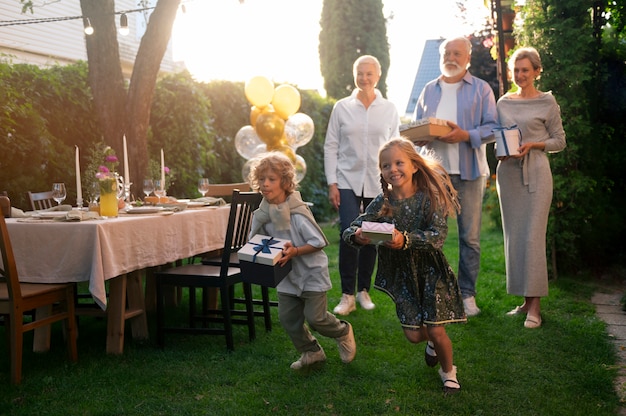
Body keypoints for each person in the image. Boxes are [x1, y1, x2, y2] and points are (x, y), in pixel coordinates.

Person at [343, 137, 466, 394]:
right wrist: (358, 235)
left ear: (414, 166)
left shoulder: (428, 198)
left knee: (436, 328)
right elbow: (352, 227)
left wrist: (406, 239)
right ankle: (431, 343)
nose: (393, 169)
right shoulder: (382, 203)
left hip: (431, 270)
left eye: (399, 162)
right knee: (413, 335)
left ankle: (449, 372)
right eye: (386, 165)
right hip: (402, 275)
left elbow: (438, 235)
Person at [248, 152, 357, 370]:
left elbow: (319, 241)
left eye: (271, 179)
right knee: (288, 319)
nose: (265, 184)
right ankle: (312, 351)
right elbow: (258, 240)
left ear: (285, 182)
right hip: (286, 275)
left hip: (310, 273)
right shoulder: (263, 214)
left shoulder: (297, 213)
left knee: (316, 318)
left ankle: (343, 331)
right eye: (262, 179)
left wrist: (295, 251)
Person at [414, 36, 498, 317]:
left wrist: (465, 135)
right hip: (435, 175)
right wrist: (421, 139)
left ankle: (467, 294)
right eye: (447, 53)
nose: (451, 57)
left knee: (469, 238)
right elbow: (416, 130)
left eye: (457, 53)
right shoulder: (428, 90)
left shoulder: (481, 89)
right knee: (428, 236)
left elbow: (493, 128)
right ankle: (431, 291)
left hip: (469, 173)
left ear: (468, 58)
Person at [324, 54, 400, 316]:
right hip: (346, 178)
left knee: (372, 235)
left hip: (378, 183)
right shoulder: (341, 108)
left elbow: (395, 148)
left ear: (378, 76)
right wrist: (332, 182)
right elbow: (331, 145)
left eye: (369, 73)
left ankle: (363, 290)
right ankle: (347, 295)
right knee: (348, 232)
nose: (364, 78)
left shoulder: (389, 109)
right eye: (360, 73)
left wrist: (394, 183)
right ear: (354, 75)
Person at [496, 47, 566, 329]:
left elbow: (559, 141)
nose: (520, 75)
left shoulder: (547, 102)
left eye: (526, 70)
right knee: (515, 238)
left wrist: (535, 144)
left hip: (536, 173)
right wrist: (502, 151)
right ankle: (525, 301)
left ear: (537, 71)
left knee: (533, 238)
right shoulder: (503, 102)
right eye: (517, 70)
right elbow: (500, 139)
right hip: (509, 175)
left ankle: (535, 307)